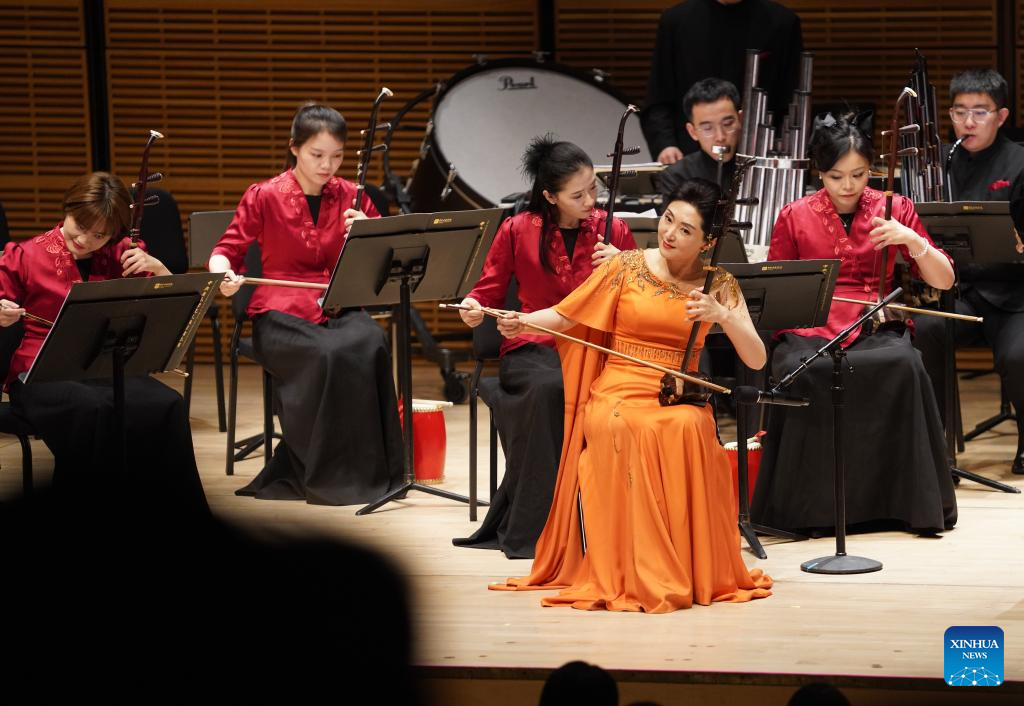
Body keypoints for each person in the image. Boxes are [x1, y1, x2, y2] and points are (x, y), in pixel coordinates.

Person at [491, 178, 773, 613]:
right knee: (630, 425)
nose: (669, 234)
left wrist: (724, 317)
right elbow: (566, 315)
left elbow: (755, 359)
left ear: (708, 242)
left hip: (676, 393)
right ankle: (633, 570)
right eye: (667, 220)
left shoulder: (719, 284)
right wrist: (522, 322)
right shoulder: (626, 265)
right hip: (618, 387)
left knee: (687, 425)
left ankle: (685, 568)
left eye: (685, 230)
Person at [751, 114, 958, 535]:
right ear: (819, 173)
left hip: (875, 323)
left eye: (859, 175)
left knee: (904, 365)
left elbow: (944, 280)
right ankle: (808, 508)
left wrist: (912, 241)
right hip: (812, 326)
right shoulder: (794, 215)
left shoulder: (893, 207)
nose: (848, 186)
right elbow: (779, 291)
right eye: (835, 176)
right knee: (805, 369)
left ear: (871, 169)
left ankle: (901, 503)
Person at [209, 102, 402, 505]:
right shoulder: (264, 195)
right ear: (294, 148)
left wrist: (368, 232)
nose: (328, 165)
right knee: (328, 353)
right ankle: (321, 470)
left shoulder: (352, 194)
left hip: (338, 304)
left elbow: (387, 252)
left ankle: (371, 471)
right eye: (317, 155)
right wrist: (223, 275)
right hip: (279, 312)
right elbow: (227, 249)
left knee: (370, 342)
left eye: (337, 156)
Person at [452, 135, 635, 559]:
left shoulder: (615, 230)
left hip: (596, 347)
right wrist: (473, 308)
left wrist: (625, 267)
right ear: (550, 196)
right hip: (533, 345)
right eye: (578, 194)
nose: (591, 199)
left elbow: (638, 299)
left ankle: (610, 529)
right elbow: (487, 291)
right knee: (553, 390)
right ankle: (543, 530)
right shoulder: (517, 230)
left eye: (594, 188)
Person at [0, 172, 206, 512]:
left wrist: (158, 269)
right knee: (91, 408)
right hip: (39, 372)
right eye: (80, 225)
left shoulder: (122, 254)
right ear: (68, 209)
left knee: (165, 403)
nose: (85, 239)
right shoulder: (24, 255)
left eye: (100, 234)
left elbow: (172, 302)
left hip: (106, 366)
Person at [913, 69, 1024, 474]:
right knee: (926, 331)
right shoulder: (938, 164)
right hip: (959, 291)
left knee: (1018, 355)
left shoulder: (1020, 163)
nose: (968, 122)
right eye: (960, 112)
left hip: (1014, 296)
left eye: (981, 112)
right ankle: (938, 442)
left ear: (1002, 115)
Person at [642, 0, 802, 163]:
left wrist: (785, 149)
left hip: (761, 154)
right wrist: (665, 144)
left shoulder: (783, 22)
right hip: (689, 155)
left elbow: (792, 100)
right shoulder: (676, 20)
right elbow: (659, 94)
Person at [656, 77, 743, 195]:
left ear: (740, 120)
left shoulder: (761, 168)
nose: (720, 137)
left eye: (727, 124)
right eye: (707, 128)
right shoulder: (676, 176)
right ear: (692, 132)